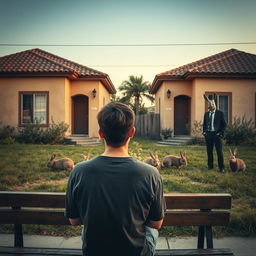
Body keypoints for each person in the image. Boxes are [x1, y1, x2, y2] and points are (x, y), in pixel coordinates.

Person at [65, 102, 166, 256]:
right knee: (151, 232)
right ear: (132, 132)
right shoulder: (151, 173)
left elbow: (74, 220)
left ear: (100, 133)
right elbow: (156, 223)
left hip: (94, 251)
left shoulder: (78, 171)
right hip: (135, 252)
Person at [203, 94, 227, 173]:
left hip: (217, 135)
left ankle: (221, 167)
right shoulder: (206, 114)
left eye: (213, 104)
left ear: (215, 105)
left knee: (219, 151)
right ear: (208, 106)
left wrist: (220, 133)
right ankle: (210, 166)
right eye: (210, 105)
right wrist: (204, 132)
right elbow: (204, 124)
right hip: (209, 134)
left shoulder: (220, 113)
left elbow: (224, 125)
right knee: (209, 151)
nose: (212, 106)